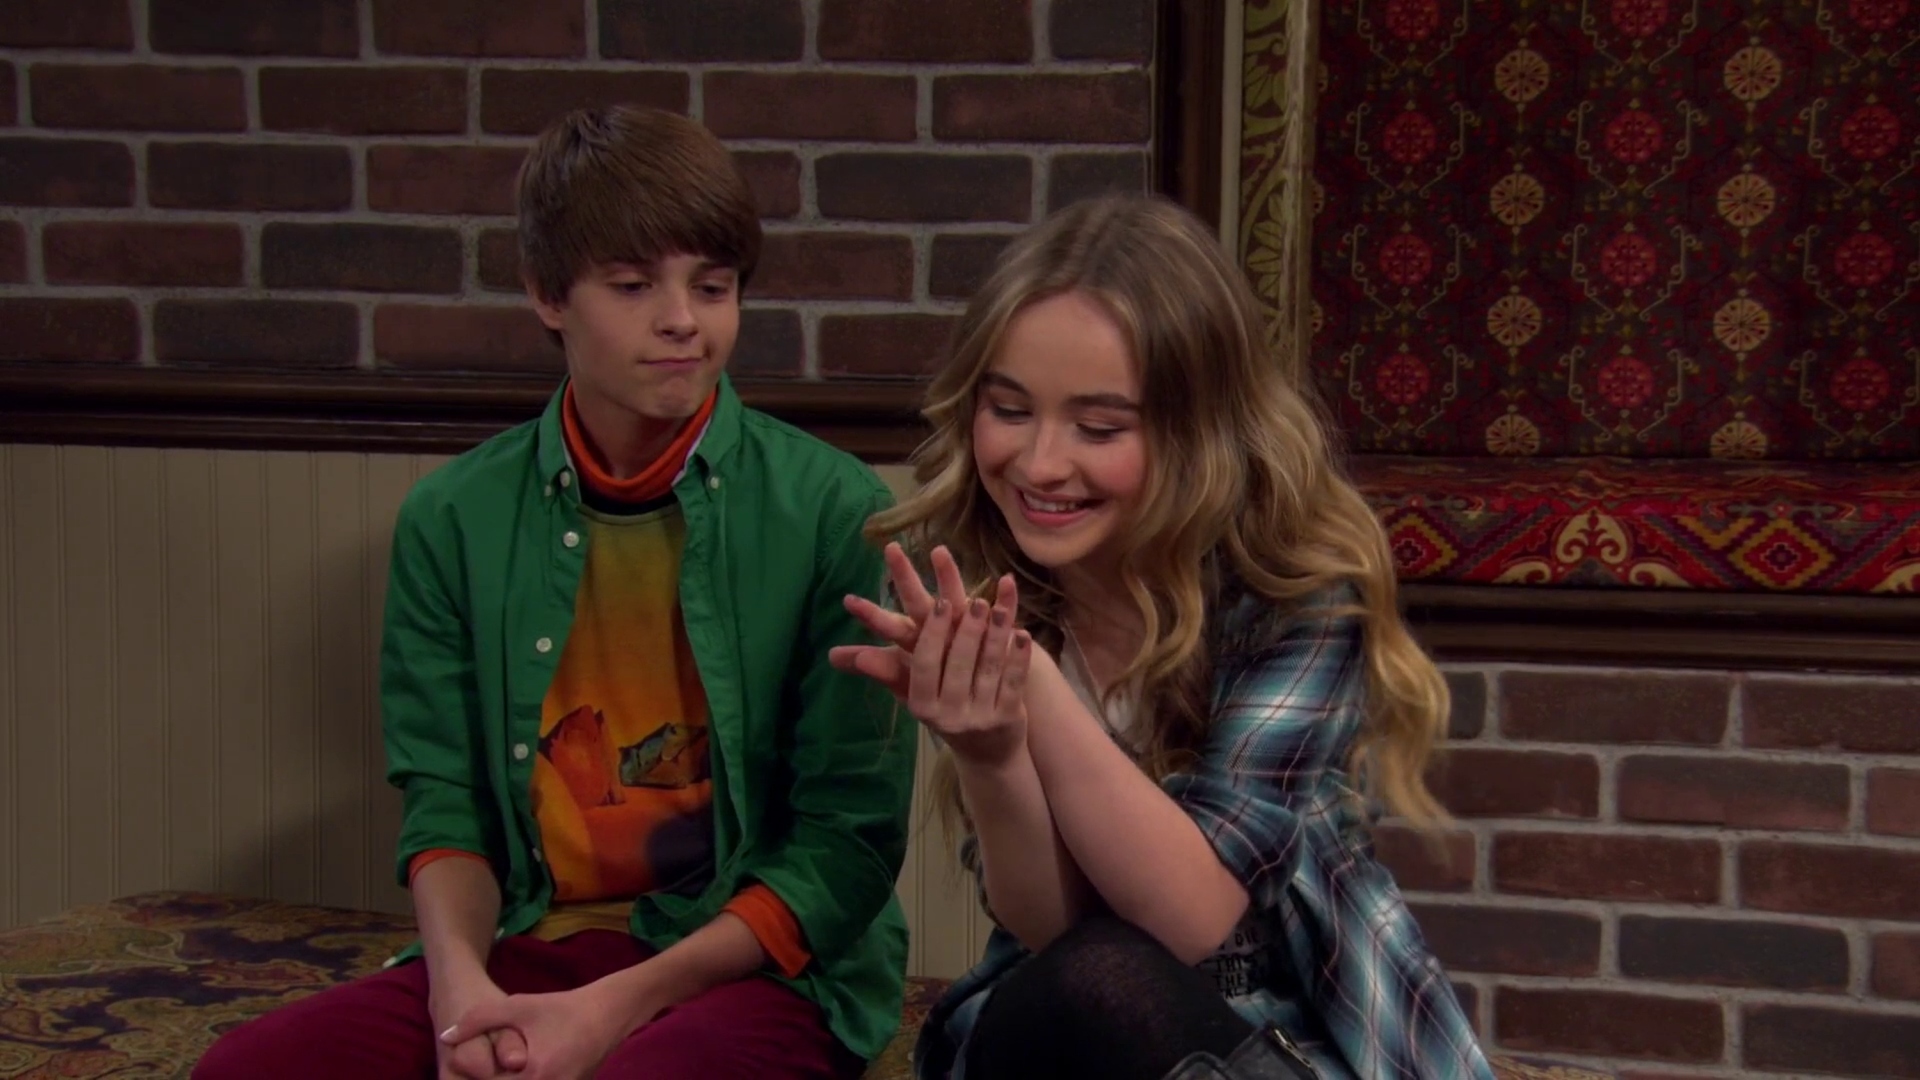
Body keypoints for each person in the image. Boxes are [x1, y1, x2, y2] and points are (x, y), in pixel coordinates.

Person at [194, 105, 915, 1080]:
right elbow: (446, 801)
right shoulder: (453, 518)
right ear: (546, 294)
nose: (683, 320)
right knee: (245, 1071)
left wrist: (612, 1010)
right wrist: (461, 996)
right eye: (634, 285)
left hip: (755, 967)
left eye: (713, 287)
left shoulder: (836, 512)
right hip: (530, 940)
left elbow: (847, 841)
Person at [829, 194, 1494, 1080]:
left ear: (1199, 431)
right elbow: (1052, 931)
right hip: (1069, 1023)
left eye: (1099, 428)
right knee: (1082, 982)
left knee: (1112, 981)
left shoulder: (1294, 598)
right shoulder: (992, 580)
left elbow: (1193, 920)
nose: (1041, 464)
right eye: (1010, 410)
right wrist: (990, 756)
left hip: (1286, 1031)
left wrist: (1030, 685)